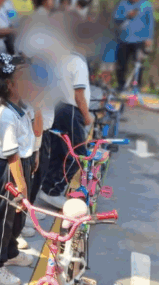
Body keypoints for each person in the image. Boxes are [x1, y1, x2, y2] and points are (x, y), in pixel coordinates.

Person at [0, 53, 37, 285]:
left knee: (17, 217)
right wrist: (21, 186)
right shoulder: (4, 114)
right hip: (9, 170)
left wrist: (34, 158)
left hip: (21, 165)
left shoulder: (23, 107)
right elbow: (11, 153)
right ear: (9, 84)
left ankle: (11, 252)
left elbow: (34, 133)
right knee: (3, 217)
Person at [39, 13, 94, 209]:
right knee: (77, 155)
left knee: (60, 153)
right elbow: (79, 95)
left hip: (60, 110)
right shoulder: (77, 63)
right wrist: (87, 116)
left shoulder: (62, 59)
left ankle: (50, 188)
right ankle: (52, 190)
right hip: (71, 112)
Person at [114, 0, 155, 91]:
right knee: (121, 63)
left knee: (138, 64)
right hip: (124, 39)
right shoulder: (123, 4)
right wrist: (127, 15)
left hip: (139, 40)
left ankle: (136, 85)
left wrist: (149, 37)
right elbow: (116, 18)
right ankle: (121, 85)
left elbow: (150, 22)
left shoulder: (146, 5)